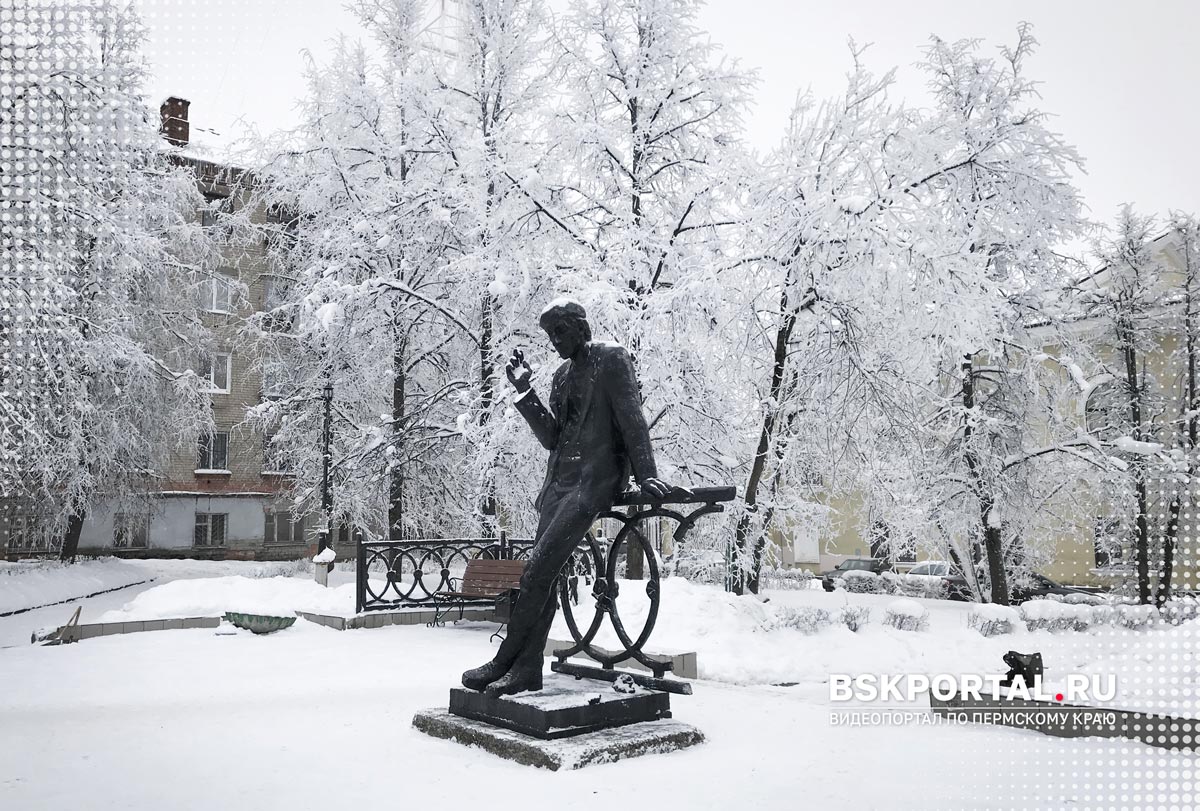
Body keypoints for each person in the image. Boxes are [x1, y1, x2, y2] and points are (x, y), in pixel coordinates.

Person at [461, 298, 674, 696]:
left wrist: (646, 474)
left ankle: (506, 660)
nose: (555, 341)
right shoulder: (560, 377)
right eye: (550, 335)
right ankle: (526, 668)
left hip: (593, 482)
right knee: (541, 575)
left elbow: (632, 418)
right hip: (559, 483)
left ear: (580, 327)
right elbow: (552, 438)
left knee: (536, 571)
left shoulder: (611, 359)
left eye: (560, 332)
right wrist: (525, 392)